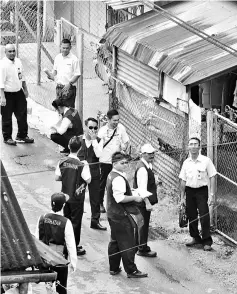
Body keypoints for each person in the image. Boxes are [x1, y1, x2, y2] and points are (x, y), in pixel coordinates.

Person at [106, 152, 148, 278]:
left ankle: (113, 268)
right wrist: (135, 197)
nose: (125, 165)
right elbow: (120, 198)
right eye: (122, 163)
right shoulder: (118, 178)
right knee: (127, 243)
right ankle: (131, 270)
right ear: (114, 164)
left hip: (112, 213)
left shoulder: (112, 175)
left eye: (126, 162)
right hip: (120, 215)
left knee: (115, 241)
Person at [179, 136, 217, 251]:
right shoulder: (186, 163)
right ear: (188, 147)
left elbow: (212, 176)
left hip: (202, 191)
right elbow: (183, 180)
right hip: (189, 191)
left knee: (204, 215)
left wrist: (211, 195)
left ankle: (207, 241)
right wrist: (182, 198)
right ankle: (195, 238)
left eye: (196, 144)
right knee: (191, 215)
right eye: (191, 144)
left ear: (199, 146)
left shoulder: (206, 161)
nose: (193, 146)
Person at [55, 136, 91, 256]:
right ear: (80, 148)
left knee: (67, 219)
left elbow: (57, 177)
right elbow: (89, 180)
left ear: (69, 147)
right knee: (76, 222)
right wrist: (87, 166)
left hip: (65, 196)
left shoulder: (62, 161)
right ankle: (73, 247)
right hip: (76, 198)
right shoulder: (81, 164)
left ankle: (65, 243)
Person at [35, 192, 77, 294]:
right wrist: (73, 262)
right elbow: (71, 244)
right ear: (63, 205)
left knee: (48, 283)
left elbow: (37, 239)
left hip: (46, 259)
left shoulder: (42, 217)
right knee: (61, 286)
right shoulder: (66, 222)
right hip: (60, 260)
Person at [0, 44, 34, 145]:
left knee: (22, 114)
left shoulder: (18, 61)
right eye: (9, 51)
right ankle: (7, 137)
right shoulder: (3, 65)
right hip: (7, 94)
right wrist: (2, 97)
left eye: (13, 51)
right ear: (5, 52)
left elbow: (22, 76)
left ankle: (22, 135)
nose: (12, 53)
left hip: (18, 93)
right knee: (7, 117)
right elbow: (1, 82)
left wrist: (25, 89)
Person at [77, 117, 107, 230]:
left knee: (95, 198)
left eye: (95, 128)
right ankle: (77, 219)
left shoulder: (99, 141)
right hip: (81, 174)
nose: (93, 130)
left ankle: (95, 220)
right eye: (90, 127)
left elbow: (99, 154)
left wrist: (94, 140)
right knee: (79, 196)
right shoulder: (78, 139)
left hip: (94, 173)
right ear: (85, 127)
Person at [98, 109, 130, 213]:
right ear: (108, 119)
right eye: (114, 120)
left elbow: (126, 142)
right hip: (105, 161)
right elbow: (97, 148)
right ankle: (100, 203)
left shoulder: (121, 128)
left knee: (117, 183)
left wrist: (124, 147)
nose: (116, 122)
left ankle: (116, 203)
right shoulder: (102, 131)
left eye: (118, 120)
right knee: (103, 183)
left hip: (117, 162)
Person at [133, 143, 158, 257]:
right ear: (143, 154)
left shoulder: (147, 164)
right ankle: (142, 248)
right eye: (149, 154)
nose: (152, 155)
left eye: (153, 153)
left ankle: (139, 245)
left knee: (141, 223)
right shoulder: (142, 169)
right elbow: (141, 189)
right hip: (142, 202)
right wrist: (147, 203)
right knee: (143, 224)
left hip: (142, 201)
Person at [44, 38, 80, 108]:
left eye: (67, 48)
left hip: (69, 88)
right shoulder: (58, 57)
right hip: (59, 87)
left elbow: (77, 74)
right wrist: (51, 76)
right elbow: (55, 71)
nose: (65, 50)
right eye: (63, 48)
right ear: (60, 47)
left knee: (69, 110)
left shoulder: (74, 59)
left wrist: (69, 84)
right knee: (59, 109)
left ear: (70, 48)